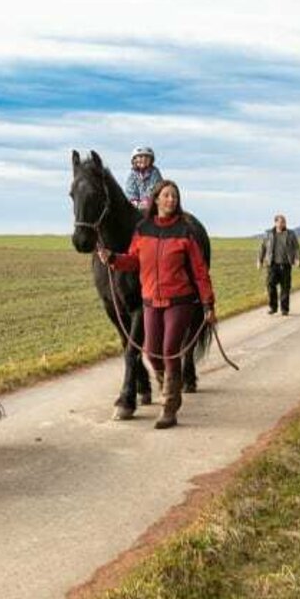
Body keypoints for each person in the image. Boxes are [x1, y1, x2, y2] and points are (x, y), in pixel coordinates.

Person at [97, 179, 217, 430]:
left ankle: (169, 407)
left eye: (174, 196)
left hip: (179, 300)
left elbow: (199, 271)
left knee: (170, 349)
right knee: (152, 352)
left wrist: (207, 304)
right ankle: (168, 387)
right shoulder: (142, 230)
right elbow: (133, 261)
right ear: (156, 200)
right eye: (166, 196)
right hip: (151, 301)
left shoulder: (185, 231)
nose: (170, 200)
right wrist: (114, 260)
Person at [257, 214, 300, 316]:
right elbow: (262, 248)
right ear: (275, 223)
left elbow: (297, 248)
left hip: (285, 264)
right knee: (270, 285)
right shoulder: (269, 234)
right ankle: (273, 307)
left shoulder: (291, 234)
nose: (282, 224)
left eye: (284, 222)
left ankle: (284, 309)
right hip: (272, 265)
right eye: (280, 222)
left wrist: (298, 259)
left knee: (285, 287)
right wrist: (259, 260)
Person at [124, 146, 163, 211]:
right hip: (135, 204)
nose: (144, 159)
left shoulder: (155, 173)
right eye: (141, 157)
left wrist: (147, 201)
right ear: (134, 160)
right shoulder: (131, 174)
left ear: (151, 160)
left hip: (152, 204)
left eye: (147, 157)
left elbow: (155, 188)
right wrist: (134, 202)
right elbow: (129, 190)